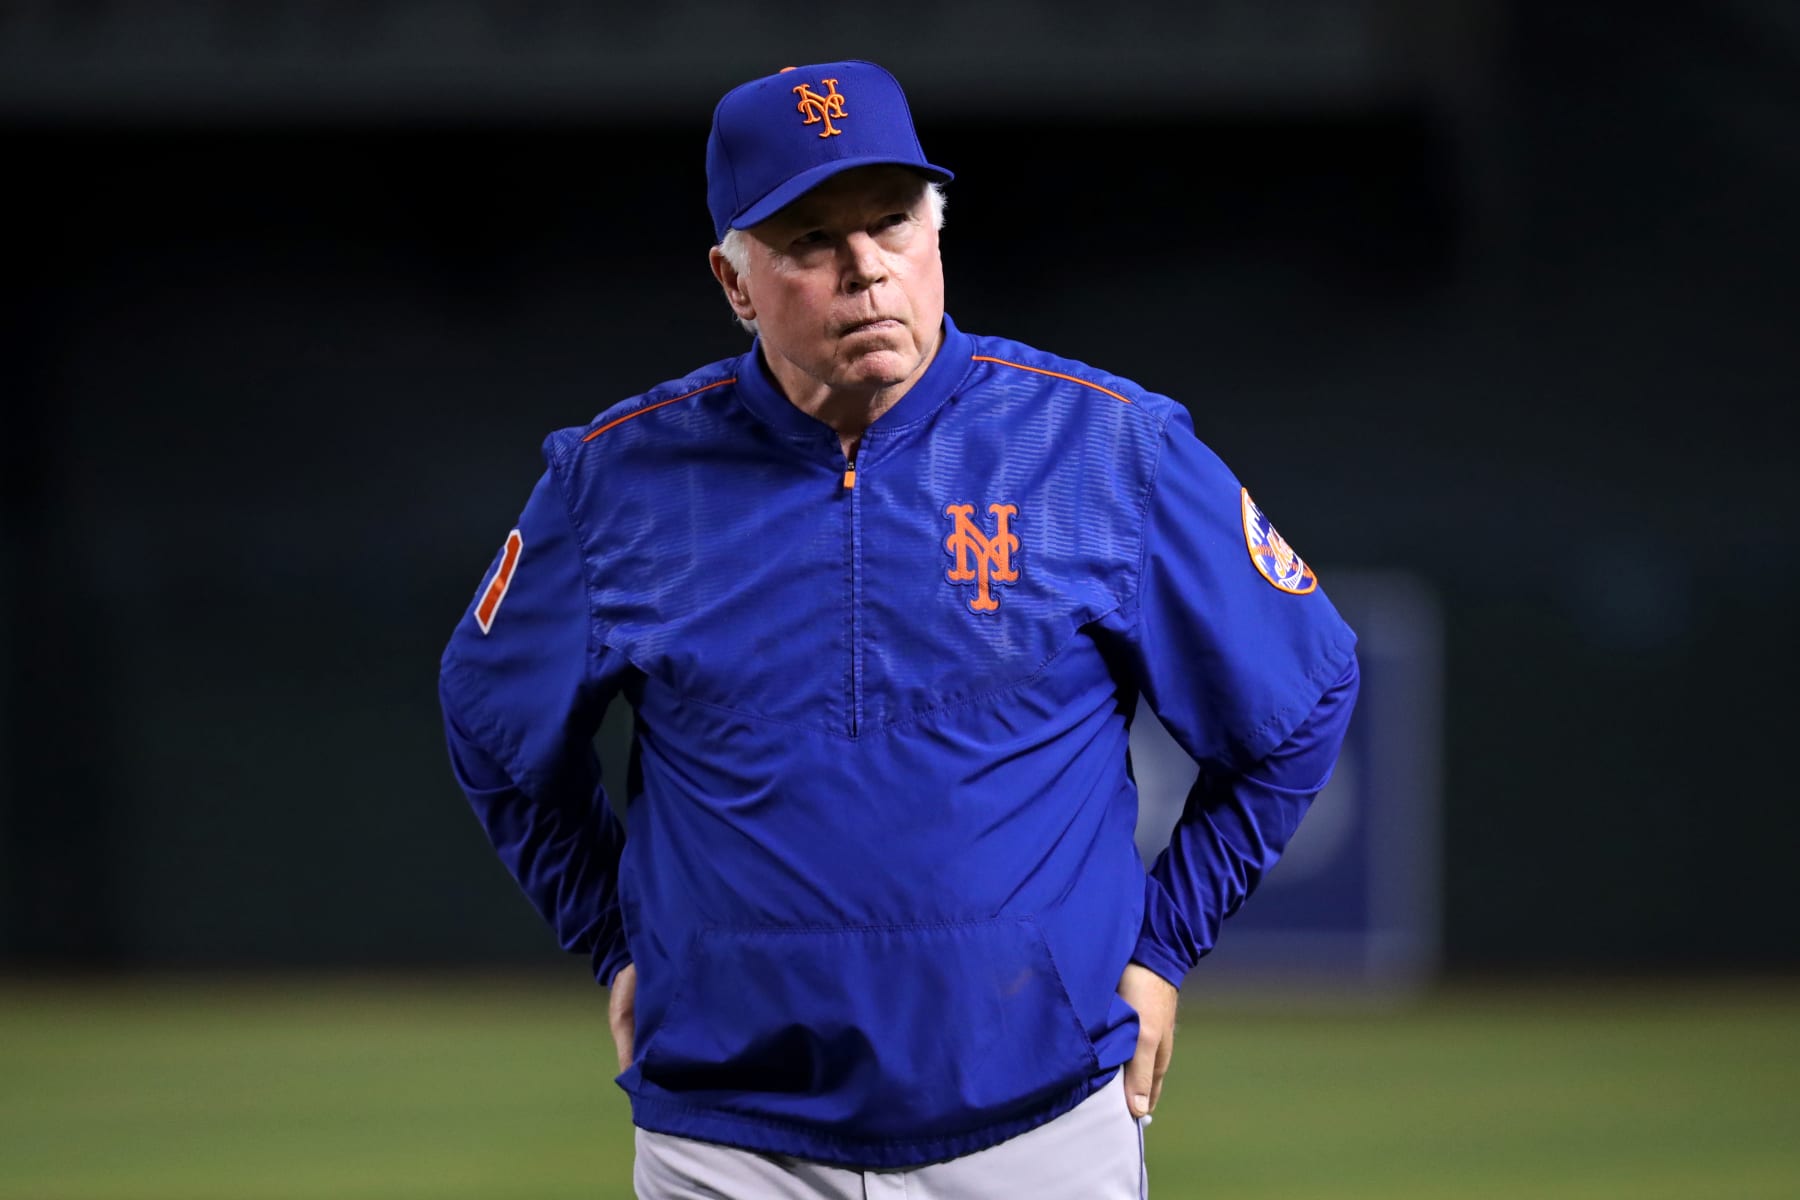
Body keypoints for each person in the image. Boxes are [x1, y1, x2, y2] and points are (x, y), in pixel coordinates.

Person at [438, 58, 1361, 1199]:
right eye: (811, 240)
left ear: (936, 231)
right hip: (731, 1142)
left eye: (891, 220)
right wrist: (610, 938)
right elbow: (487, 716)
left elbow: (1306, 694)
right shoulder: (621, 483)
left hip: (1040, 1126)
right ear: (735, 282)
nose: (864, 265)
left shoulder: (1104, 450)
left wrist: (1165, 947)